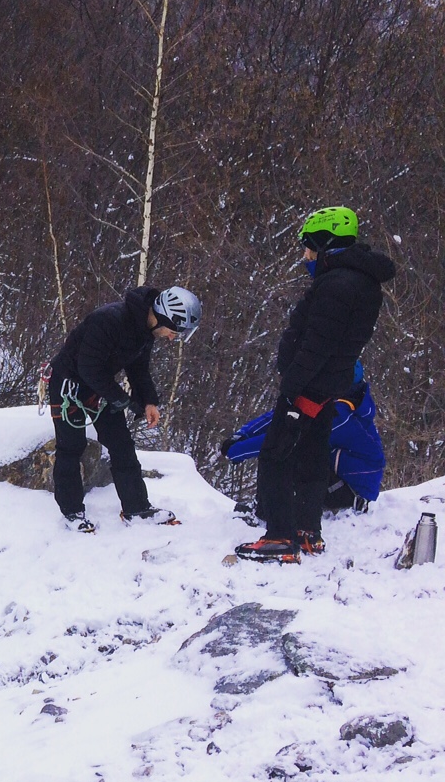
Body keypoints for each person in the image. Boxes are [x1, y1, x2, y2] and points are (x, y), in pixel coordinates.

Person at [234, 207, 395, 563]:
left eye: (309, 245)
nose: (306, 254)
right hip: (331, 385)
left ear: (325, 242)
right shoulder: (361, 281)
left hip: (309, 385)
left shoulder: (337, 284)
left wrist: (291, 385)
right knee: (312, 454)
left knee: (277, 455)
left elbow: (317, 343)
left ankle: (278, 536)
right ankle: (308, 532)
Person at [45, 285, 202, 532]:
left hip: (99, 385)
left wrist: (149, 401)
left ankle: (136, 508)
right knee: (72, 446)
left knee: (122, 444)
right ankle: (72, 512)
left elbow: (138, 369)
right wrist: (119, 398)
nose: (173, 338)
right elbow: (87, 367)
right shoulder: (109, 321)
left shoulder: (145, 331)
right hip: (67, 383)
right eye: (174, 331)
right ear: (162, 317)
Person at [223, 361, 385, 516]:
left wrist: (239, 450)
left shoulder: (340, 415)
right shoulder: (340, 402)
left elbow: (288, 435)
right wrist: (243, 434)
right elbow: (281, 415)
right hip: (341, 479)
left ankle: (264, 513)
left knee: (287, 451)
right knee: (297, 449)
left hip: (350, 492)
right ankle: (269, 508)